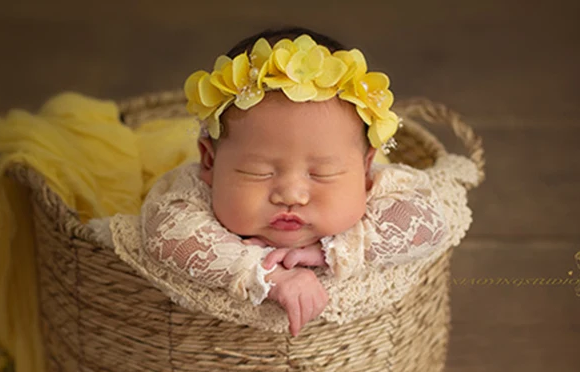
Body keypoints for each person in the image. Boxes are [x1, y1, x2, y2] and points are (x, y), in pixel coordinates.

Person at [100, 27, 475, 336]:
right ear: (210, 162)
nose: (291, 194)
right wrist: (266, 273)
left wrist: (336, 249)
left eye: (322, 173)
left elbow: (429, 220)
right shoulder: (193, 194)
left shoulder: (380, 189)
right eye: (259, 171)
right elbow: (164, 232)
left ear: (364, 169)